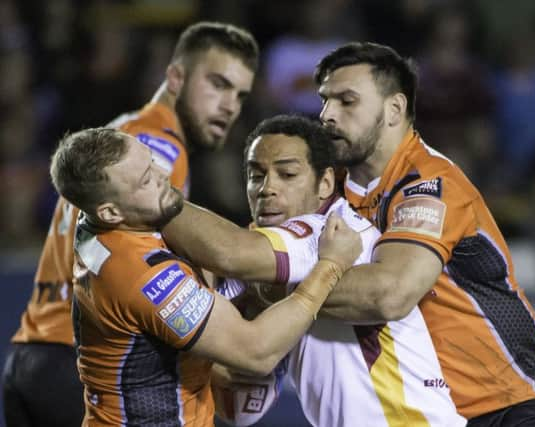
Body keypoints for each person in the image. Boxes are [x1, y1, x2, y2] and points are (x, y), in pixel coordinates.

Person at [3, 21, 258, 427]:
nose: (230, 105)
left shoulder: (120, 132)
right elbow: (191, 258)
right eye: (217, 84)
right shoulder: (154, 154)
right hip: (83, 369)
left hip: (31, 357)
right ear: (175, 76)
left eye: (240, 94)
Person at [314, 42, 535, 426]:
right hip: (432, 412)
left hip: (510, 403)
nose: (327, 115)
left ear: (394, 109)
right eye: (325, 100)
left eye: (347, 101)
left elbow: (391, 293)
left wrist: (278, 288)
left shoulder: (430, 182)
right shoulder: (335, 193)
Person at [49, 127, 360, 426]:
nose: (162, 175)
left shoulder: (97, 218)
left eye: (151, 160)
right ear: (110, 213)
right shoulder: (146, 278)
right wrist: (330, 265)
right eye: (146, 181)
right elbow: (256, 351)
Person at [205, 114, 466, 427]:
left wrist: (162, 205)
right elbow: (243, 412)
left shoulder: (328, 230)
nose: (267, 188)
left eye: (287, 174)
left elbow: (228, 252)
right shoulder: (261, 257)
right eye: (255, 175)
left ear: (325, 183)